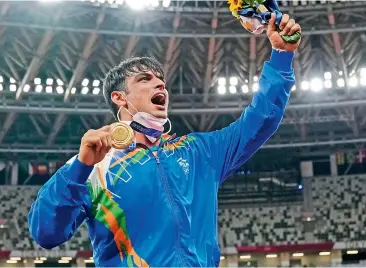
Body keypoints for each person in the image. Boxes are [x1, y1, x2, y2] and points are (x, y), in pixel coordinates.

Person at [28, 13, 301, 267]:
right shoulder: (93, 167)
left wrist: (281, 56)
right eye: (145, 79)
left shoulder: (198, 152)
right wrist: (80, 166)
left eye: (162, 80)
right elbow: (46, 233)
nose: (161, 84)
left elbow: (260, 120)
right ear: (119, 97)